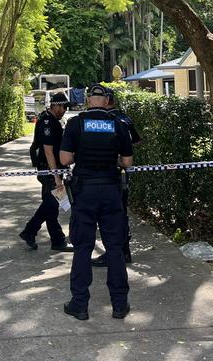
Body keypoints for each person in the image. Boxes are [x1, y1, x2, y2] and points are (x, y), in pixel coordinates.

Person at [59, 84, 134, 320]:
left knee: (82, 248)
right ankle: (120, 305)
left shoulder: (75, 123)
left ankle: (79, 304)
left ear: (89, 100)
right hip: (111, 191)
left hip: (85, 192)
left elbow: (64, 159)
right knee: (114, 248)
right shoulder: (119, 125)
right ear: (107, 101)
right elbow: (128, 162)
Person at [91, 88, 142, 267]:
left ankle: (115, 253)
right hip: (123, 173)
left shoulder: (100, 120)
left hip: (107, 175)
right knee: (121, 213)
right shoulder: (124, 118)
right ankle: (124, 251)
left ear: (106, 100)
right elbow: (136, 140)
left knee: (108, 216)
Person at [20, 93, 74, 252]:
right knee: (52, 203)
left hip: (52, 169)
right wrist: (56, 177)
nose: (65, 110)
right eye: (64, 107)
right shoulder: (48, 123)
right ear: (56, 105)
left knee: (51, 205)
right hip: (49, 170)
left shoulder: (54, 121)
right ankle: (34, 232)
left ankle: (48, 237)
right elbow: (48, 151)